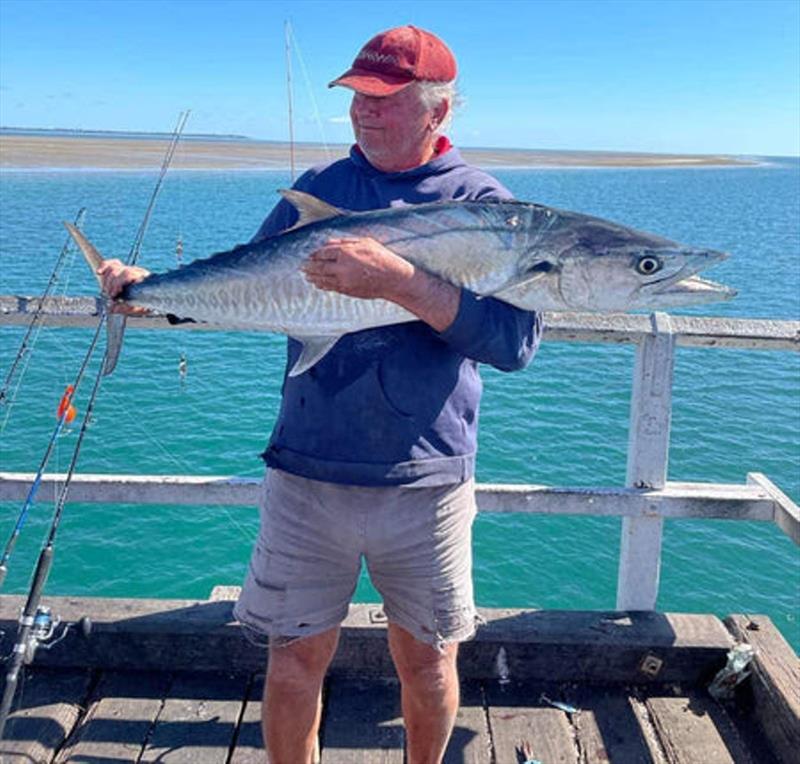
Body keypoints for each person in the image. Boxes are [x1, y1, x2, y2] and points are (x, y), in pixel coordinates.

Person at [98, 25, 541, 764]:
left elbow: (513, 344)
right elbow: (242, 285)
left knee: (427, 663)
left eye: (384, 100)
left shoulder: (486, 206)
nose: (363, 114)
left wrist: (402, 283)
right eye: (356, 99)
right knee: (291, 661)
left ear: (439, 111)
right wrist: (146, 293)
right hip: (304, 470)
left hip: (424, 480)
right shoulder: (321, 191)